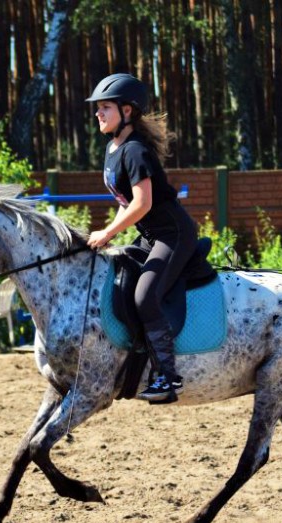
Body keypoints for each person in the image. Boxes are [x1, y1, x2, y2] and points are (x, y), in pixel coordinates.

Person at [85, 73, 199, 404]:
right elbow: (128, 206)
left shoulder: (135, 151)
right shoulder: (112, 148)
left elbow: (143, 203)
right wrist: (111, 235)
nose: (99, 114)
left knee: (145, 295)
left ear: (128, 112)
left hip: (173, 235)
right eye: (98, 109)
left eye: (105, 108)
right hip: (150, 235)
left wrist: (108, 232)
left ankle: (168, 375)